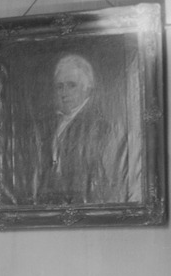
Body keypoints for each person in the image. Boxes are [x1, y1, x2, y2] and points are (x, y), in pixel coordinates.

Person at [31, 53, 129, 205]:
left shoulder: (99, 126)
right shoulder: (50, 124)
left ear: (87, 88)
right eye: (60, 86)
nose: (64, 93)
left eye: (71, 85)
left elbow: (106, 180)